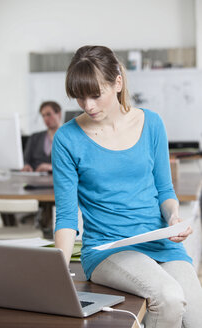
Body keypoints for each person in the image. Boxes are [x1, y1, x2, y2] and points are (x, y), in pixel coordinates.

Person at [52, 45, 202, 327]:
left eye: (95, 95)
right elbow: (67, 218)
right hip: (108, 250)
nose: (88, 105)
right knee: (168, 298)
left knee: (197, 315)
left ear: (117, 82)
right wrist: (57, 276)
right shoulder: (66, 139)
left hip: (160, 241)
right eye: (80, 97)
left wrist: (173, 217)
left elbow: (165, 191)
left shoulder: (152, 123)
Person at [22, 101, 62, 172]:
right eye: (43, 115)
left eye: (48, 114)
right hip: (35, 178)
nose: (46, 118)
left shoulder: (70, 138)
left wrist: (52, 167)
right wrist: (26, 166)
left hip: (56, 178)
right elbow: (25, 160)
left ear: (59, 114)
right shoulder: (34, 137)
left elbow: (74, 165)